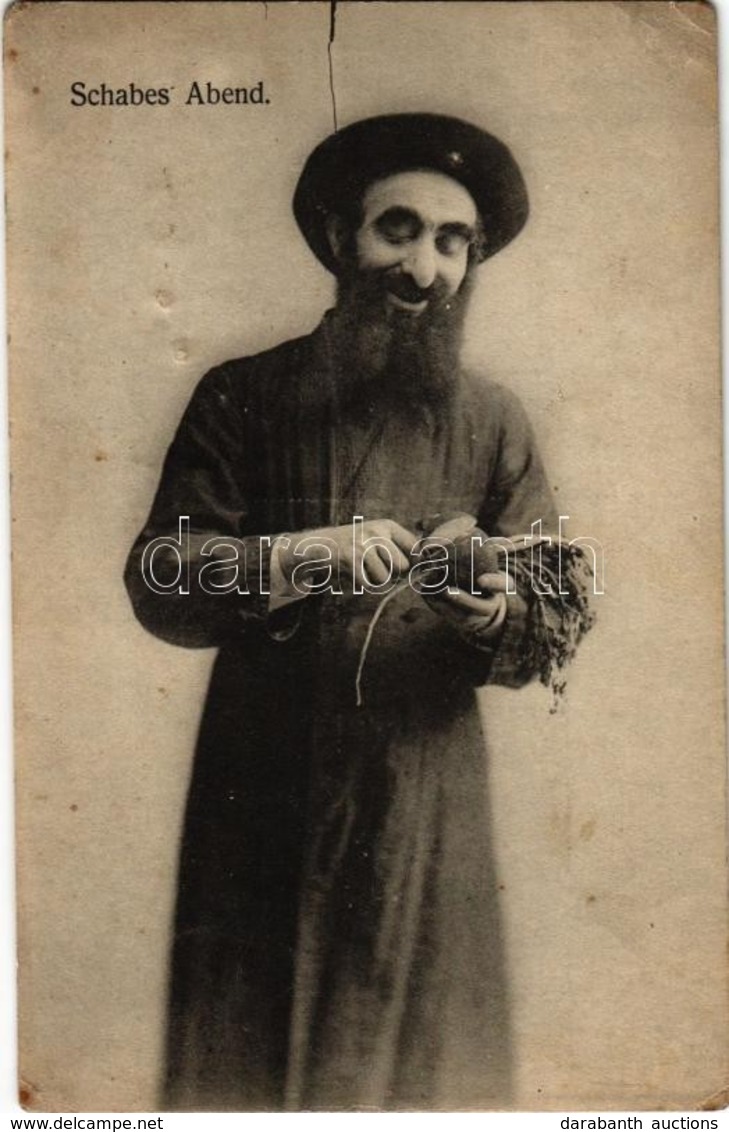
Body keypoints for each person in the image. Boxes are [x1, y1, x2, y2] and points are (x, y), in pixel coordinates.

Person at [124, 112, 590, 1111]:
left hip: (424, 804)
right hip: (264, 787)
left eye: (451, 241)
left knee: (421, 1074)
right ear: (342, 237)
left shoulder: (495, 422)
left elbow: (554, 620)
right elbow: (160, 577)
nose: (423, 267)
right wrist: (293, 555)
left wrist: (489, 611)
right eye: (399, 229)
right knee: (241, 1070)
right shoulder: (241, 396)